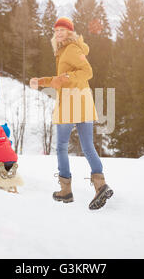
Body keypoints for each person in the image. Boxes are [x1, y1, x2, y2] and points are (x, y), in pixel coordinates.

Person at [29, 17, 113, 210]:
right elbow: (60, 79)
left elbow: (88, 71)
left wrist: (66, 77)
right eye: (56, 30)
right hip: (81, 102)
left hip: (71, 103)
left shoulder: (72, 49)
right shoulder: (64, 51)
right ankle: (100, 185)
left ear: (70, 33)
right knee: (87, 146)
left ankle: (66, 191)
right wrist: (41, 81)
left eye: (62, 30)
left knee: (61, 147)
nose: (58, 33)